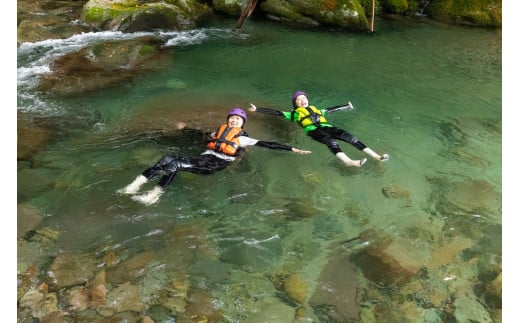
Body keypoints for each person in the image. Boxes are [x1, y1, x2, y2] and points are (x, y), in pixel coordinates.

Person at [117, 107, 312, 205]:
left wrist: (292, 149)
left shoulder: (243, 139)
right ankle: (136, 184)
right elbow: (200, 134)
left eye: (238, 120)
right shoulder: (218, 132)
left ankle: (154, 195)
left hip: (215, 164)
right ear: (228, 120)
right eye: (232, 118)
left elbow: (268, 144)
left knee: (175, 164)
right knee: (168, 158)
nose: (234, 120)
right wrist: (185, 128)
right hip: (204, 158)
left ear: (242, 125)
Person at [249, 91, 389, 167]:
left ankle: (376, 156)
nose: (302, 100)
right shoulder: (294, 113)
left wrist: (347, 106)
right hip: (313, 131)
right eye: (299, 100)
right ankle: (348, 162)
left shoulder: (316, 109)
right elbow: (277, 113)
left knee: (351, 138)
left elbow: (331, 110)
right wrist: (257, 110)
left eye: (304, 98)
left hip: (327, 126)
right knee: (331, 142)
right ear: (295, 104)